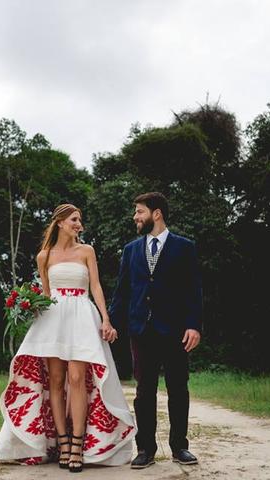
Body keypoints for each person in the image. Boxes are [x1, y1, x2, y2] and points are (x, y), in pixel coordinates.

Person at [0, 203, 136, 473]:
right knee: (56, 381)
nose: (78, 224)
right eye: (74, 219)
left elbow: (95, 286)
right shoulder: (44, 256)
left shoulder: (87, 251)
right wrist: (30, 305)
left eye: (79, 220)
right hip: (54, 319)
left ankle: (79, 444)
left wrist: (106, 319)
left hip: (82, 314)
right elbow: (47, 294)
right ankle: (63, 442)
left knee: (77, 378)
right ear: (60, 222)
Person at [108, 192, 203, 469]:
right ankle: (145, 449)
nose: (135, 217)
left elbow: (193, 290)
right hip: (141, 329)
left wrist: (194, 325)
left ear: (156, 213)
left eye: (140, 211)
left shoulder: (184, 247)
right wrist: (109, 322)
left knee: (178, 389)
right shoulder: (130, 250)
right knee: (144, 391)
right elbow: (122, 292)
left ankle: (179, 447)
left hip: (175, 330)